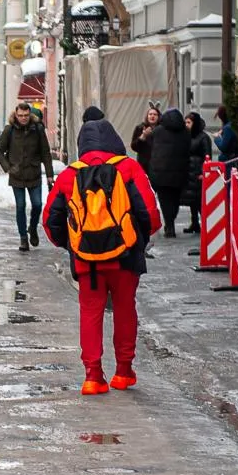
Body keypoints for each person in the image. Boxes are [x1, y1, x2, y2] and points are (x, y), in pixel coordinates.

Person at [44, 116, 159, 395]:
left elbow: (50, 220)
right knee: (124, 308)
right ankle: (123, 371)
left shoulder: (71, 174)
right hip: (126, 256)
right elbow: (151, 214)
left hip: (87, 259)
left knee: (91, 312)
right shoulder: (128, 167)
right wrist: (138, 239)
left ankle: (93, 375)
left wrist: (72, 244)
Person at [0, 102, 55, 252]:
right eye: (20, 115)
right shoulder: (9, 130)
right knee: (20, 206)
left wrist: (49, 174)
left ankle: (32, 228)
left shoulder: (38, 129)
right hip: (17, 175)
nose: (23, 118)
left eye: (26, 115)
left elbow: (45, 153)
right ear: (16, 115)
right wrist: (8, 168)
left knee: (37, 205)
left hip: (33, 173)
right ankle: (23, 238)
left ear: (30, 115)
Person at [146, 108, 189, 239]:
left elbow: (150, 147)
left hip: (161, 173)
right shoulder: (186, 132)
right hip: (180, 172)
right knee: (175, 199)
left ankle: (169, 225)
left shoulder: (157, 131)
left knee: (165, 201)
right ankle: (171, 221)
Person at [183, 111, 211, 234]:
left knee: (200, 200)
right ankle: (194, 223)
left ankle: (206, 224)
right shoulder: (187, 136)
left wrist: (203, 172)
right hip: (189, 172)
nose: (186, 125)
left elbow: (207, 156)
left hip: (198, 172)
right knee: (192, 200)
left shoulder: (203, 137)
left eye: (189, 122)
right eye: (185, 122)